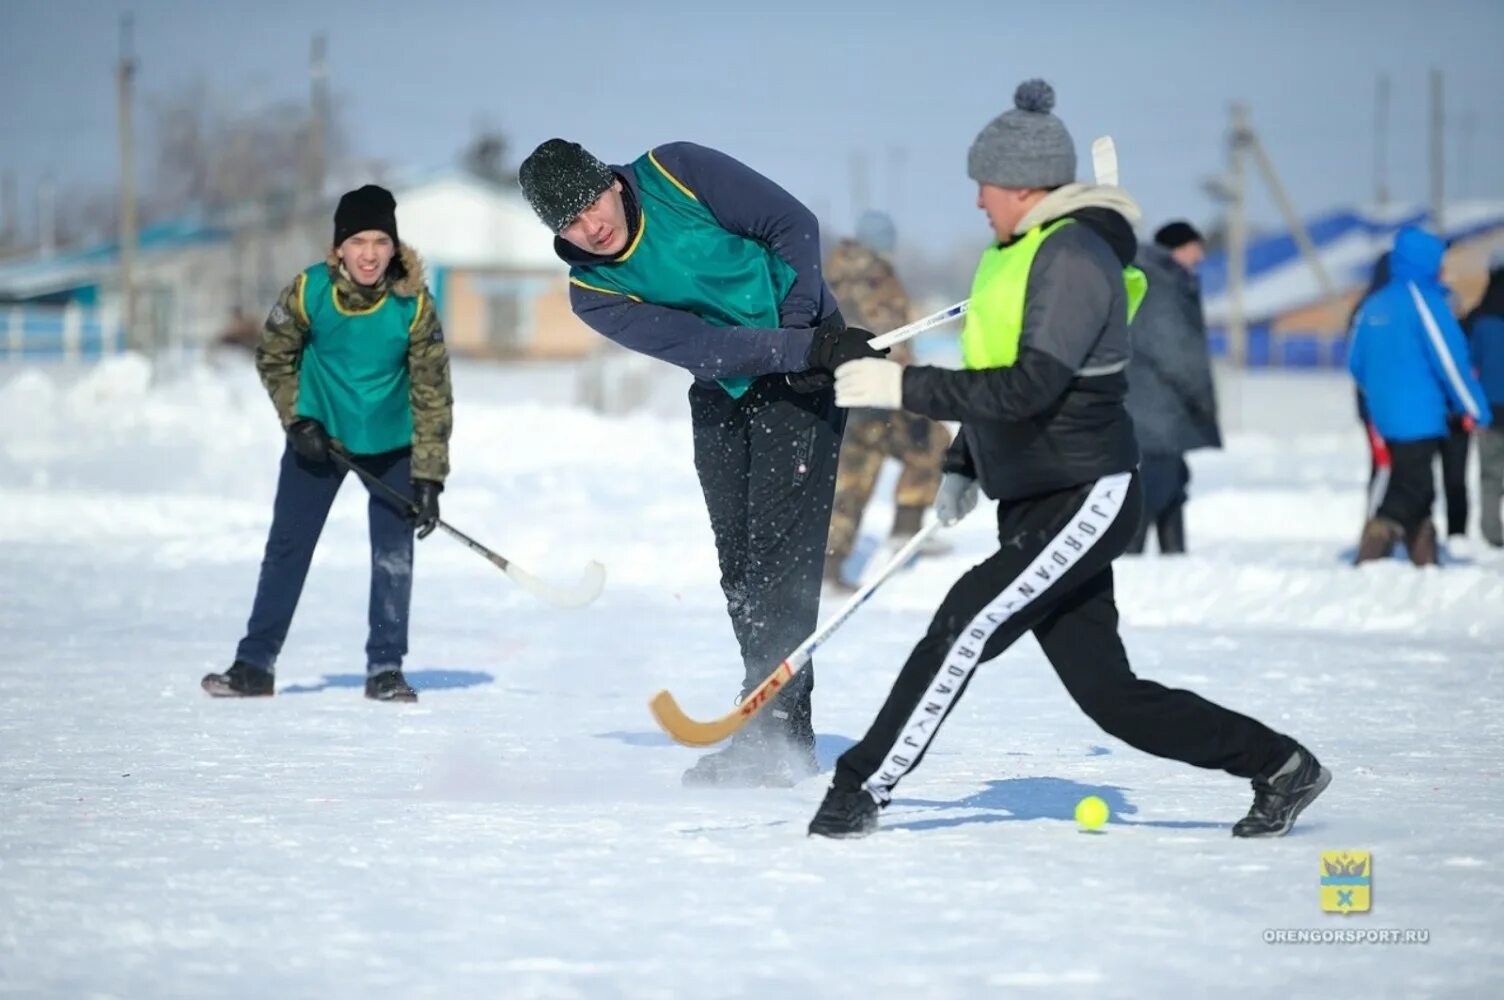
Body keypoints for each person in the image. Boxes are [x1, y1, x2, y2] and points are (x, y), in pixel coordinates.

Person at [807, 80, 1328, 840]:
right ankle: (1282, 766)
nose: (978, 200)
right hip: (1034, 491)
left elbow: (1034, 384)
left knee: (963, 622)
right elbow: (997, 367)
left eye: (984, 184)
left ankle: (859, 790)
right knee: (1110, 697)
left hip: (1083, 491)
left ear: (1021, 184)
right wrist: (963, 463)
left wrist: (903, 386)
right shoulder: (1011, 256)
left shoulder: (1071, 258)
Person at [517, 138, 885, 787]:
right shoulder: (592, 289)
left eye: (591, 204)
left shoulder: (675, 172)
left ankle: (775, 734)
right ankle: (774, 725)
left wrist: (808, 334)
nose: (591, 226)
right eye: (569, 222)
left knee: (779, 562)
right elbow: (704, 345)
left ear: (608, 179)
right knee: (740, 568)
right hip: (726, 381)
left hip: (808, 367)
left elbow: (790, 223)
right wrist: (798, 350)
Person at [202, 184, 453, 702]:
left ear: (395, 248)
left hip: (391, 447)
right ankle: (255, 664)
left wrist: (429, 476)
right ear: (338, 246)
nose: (368, 253)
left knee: (393, 556)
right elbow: (274, 355)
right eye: (357, 240)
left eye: (380, 241)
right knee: (287, 550)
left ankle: (385, 668)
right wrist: (298, 419)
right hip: (319, 443)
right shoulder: (308, 291)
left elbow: (432, 392)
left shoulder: (414, 306)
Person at [823, 210, 952, 591]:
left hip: (840, 388)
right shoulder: (876, 276)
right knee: (930, 440)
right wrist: (901, 374)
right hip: (875, 387)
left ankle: (831, 570)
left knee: (852, 478)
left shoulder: (832, 274)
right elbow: (888, 334)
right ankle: (904, 528)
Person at [1349, 226, 1491, 565]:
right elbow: (1450, 361)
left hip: (1383, 412)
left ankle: (1424, 558)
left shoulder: (1373, 305)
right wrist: (1475, 408)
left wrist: (1379, 397)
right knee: (1411, 486)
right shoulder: (1426, 302)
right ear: (1426, 262)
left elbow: (1355, 362)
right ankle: (1372, 550)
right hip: (1419, 413)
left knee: (1419, 484)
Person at [1123, 220, 1221, 554]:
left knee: (1172, 490)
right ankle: (1130, 565)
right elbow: (1176, 352)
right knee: (1153, 493)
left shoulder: (1156, 278)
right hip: (1156, 412)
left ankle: (1174, 561)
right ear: (1178, 247)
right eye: (1196, 247)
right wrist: (1202, 399)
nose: (1200, 256)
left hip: (1157, 410)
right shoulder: (1162, 284)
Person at [1463, 253, 1504, 547]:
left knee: (1490, 475)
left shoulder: (1481, 319)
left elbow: (1470, 362)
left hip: (1488, 407)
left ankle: (1492, 533)